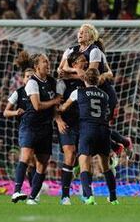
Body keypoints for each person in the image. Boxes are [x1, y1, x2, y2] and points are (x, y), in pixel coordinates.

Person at [58, 23, 131, 156]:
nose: (80, 33)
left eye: (84, 32)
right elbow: (60, 70)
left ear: (91, 36)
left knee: (98, 126)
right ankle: (116, 147)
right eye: (79, 31)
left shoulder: (94, 51)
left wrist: (69, 74)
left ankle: (117, 147)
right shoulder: (70, 50)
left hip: (103, 94)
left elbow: (91, 76)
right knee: (90, 126)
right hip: (88, 94)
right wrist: (75, 70)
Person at [59, 68, 119, 205]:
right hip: (104, 130)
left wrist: (57, 106)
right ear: (98, 80)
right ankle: (114, 198)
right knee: (106, 167)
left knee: (84, 164)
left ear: (84, 79)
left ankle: (89, 197)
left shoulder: (78, 92)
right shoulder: (105, 95)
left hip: (87, 129)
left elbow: (64, 108)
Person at [11, 51, 61, 205]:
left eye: (47, 60)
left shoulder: (53, 81)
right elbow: (37, 106)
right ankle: (17, 191)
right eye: (44, 61)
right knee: (25, 157)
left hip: (46, 127)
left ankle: (33, 197)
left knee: (42, 163)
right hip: (30, 125)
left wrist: (57, 117)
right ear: (36, 66)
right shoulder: (32, 82)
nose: (48, 63)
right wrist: (54, 101)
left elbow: (57, 102)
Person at [55, 51, 87, 205]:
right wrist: (58, 120)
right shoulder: (61, 83)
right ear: (73, 64)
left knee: (82, 157)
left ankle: (85, 193)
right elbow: (55, 105)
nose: (85, 63)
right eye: (82, 61)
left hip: (82, 123)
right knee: (70, 153)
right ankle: (65, 196)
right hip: (66, 123)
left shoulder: (86, 80)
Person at [4, 58, 37, 203]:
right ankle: (17, 190)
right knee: (26, 158)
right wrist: (15, 112)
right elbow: (5, 112)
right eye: (27, 76)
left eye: (32, 76)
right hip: (26, 128)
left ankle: (34, 192)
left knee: (34, 162)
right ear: (23, 79)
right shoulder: (18, 93)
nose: (30, 78)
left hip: (41, 129)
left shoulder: (39, 91)